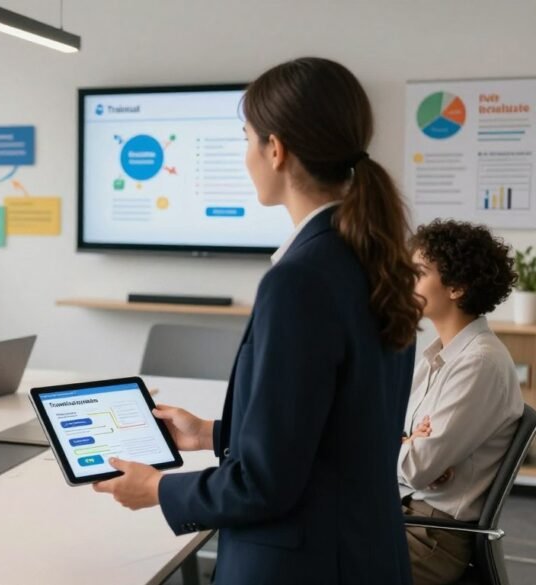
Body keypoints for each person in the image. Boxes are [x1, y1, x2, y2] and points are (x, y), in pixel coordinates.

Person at [91, 57, 422, 584]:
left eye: (246, 138)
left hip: (300, 566)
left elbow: (266, 484)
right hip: (365, 553)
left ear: (276, 148)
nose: (246, 155)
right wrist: (212, 435)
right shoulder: (372, 256)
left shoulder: (300, 279)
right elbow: (339, 432)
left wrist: (159, 489)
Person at [399, 219, 523, 585]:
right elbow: (406, 448)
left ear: (457, 287)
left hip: (431, 538)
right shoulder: (439, 356)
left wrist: (407, 450)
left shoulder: (478, 363)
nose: (408, 281)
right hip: (409, 517)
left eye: (419, 273)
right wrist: (405, 446)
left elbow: (416, 467)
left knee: (309, 556)